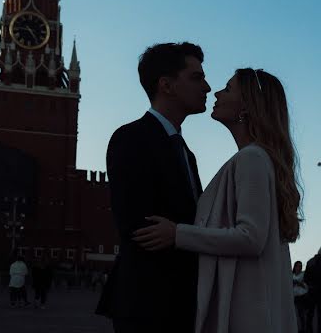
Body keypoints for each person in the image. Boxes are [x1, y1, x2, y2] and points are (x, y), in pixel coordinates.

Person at [133, 68, 300, 332]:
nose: (216, 93)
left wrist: (177, 234)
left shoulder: (251, 158)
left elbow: (250, 237)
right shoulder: (258, 158)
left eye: (228, 88)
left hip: (245, 313)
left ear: (246, 106)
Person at [96, 43, 210, 333]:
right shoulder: (131, 138)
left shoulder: (185, 151)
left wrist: (180, 233)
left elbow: (180, 224)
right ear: (167, 85)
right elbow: (140, 228)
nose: (207, 87)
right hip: (149, 304)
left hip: (180, 304)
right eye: (196, 77)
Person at [293, 261, 309, 332]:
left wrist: (299, 283)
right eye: (298, 266)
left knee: (301, 314)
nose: (299, 267)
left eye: (300, 266)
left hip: (302, 296)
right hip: (294, 296)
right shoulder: (291, 275)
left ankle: (303, 328)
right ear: (295, 267)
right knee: (295, 313)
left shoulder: (303, 274)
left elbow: (306, 286)